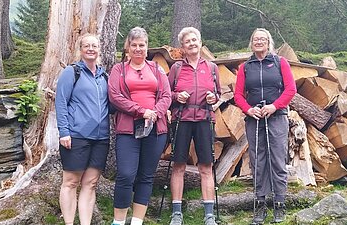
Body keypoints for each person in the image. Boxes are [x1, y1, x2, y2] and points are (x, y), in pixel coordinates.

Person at [108, 27, 171, 225]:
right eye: (134, 45)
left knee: (146, 175)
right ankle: (118, 221)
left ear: (147, 47)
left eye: (142, 45)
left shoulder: (156, 68)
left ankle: (137, 221)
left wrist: (155, 113)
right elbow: (115, 97)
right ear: (128, 47)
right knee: (126, 174)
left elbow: (167, 95)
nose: (138, 49)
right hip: (128, 129)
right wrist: (141, 111)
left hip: (155, 128)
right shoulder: (119, 70)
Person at [234, 28, 296, 224]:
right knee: (258, 161)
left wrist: (274, 106)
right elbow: (238, 95)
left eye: (262, 39)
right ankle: (260, 203)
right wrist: (248, 110)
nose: (259, 42)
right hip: (255, 119)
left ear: (269, 43)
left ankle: (279, 203)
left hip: (277, 117)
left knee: (277, 160)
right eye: (255, 39)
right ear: (251, 43)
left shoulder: (280, 63)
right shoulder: (245, 67)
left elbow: (290, 89)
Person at [168, 27, 221, 225]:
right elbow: (167, 94)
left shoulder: (212, 67)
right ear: (182, 47)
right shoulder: (177, 68)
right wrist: (176, 96)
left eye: (194, 40)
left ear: (200, 42)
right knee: (179, 165)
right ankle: (176, 213)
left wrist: (212, 97)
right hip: (182, 118)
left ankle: (209, 215)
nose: (191, 43)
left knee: (206, 166)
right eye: (187, 41)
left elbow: (217, 93)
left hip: (205, 118)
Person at [55, 33, 110, 225]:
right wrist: (64, 132)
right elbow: (61, 102)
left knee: (91, 183)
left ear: (99, 49)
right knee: (70, 182)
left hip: (101, 137)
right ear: (80, 50)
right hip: (76, 135)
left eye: (94, 45)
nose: (91, 49)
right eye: (86, 45)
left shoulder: (104, 76)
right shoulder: (72, 72)